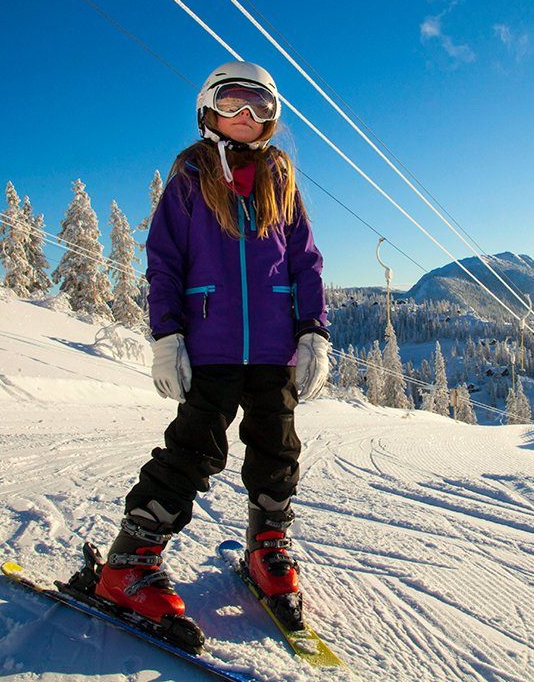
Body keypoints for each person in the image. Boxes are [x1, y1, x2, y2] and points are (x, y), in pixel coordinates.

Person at [93, 61, 330, 645]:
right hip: (211, 345)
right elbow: (165, 261)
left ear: (272, 118)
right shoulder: (191, 176)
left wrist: (313, 331)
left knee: (277, 448)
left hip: (274, 350)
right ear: (208, 109)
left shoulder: (281, 178)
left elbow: (305, 261)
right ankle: (130, 562)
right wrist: (167, 335)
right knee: (194, 450)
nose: (245, 117)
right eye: (233, 104)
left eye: (258, 107)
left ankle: (267, 546)